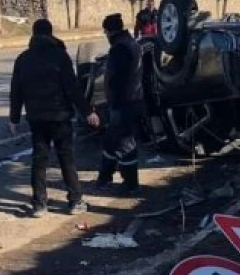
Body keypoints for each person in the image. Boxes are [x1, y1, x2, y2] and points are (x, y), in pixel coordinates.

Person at [8, 18, 100, 217]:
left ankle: (39, 204)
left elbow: (16, 91)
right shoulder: (60, 56)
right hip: (60, 116)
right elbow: (72, 88)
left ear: (33, 34)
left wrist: (14, 118)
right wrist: (87, 112)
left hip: (36, 117)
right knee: (66, 157)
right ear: (51, 34)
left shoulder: (23, 59)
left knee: (39, 159)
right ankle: (75, 200)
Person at [95, 13, 144, 195]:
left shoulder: (120, 48)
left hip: (124, 102)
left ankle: (131, 184)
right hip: (131, 100)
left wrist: (109, 98)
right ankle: (104, 177)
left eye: (106, 32)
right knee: (111, 141)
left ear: (109, 31)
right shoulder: (131, 43)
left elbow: (114, 78)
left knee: (125, 143)